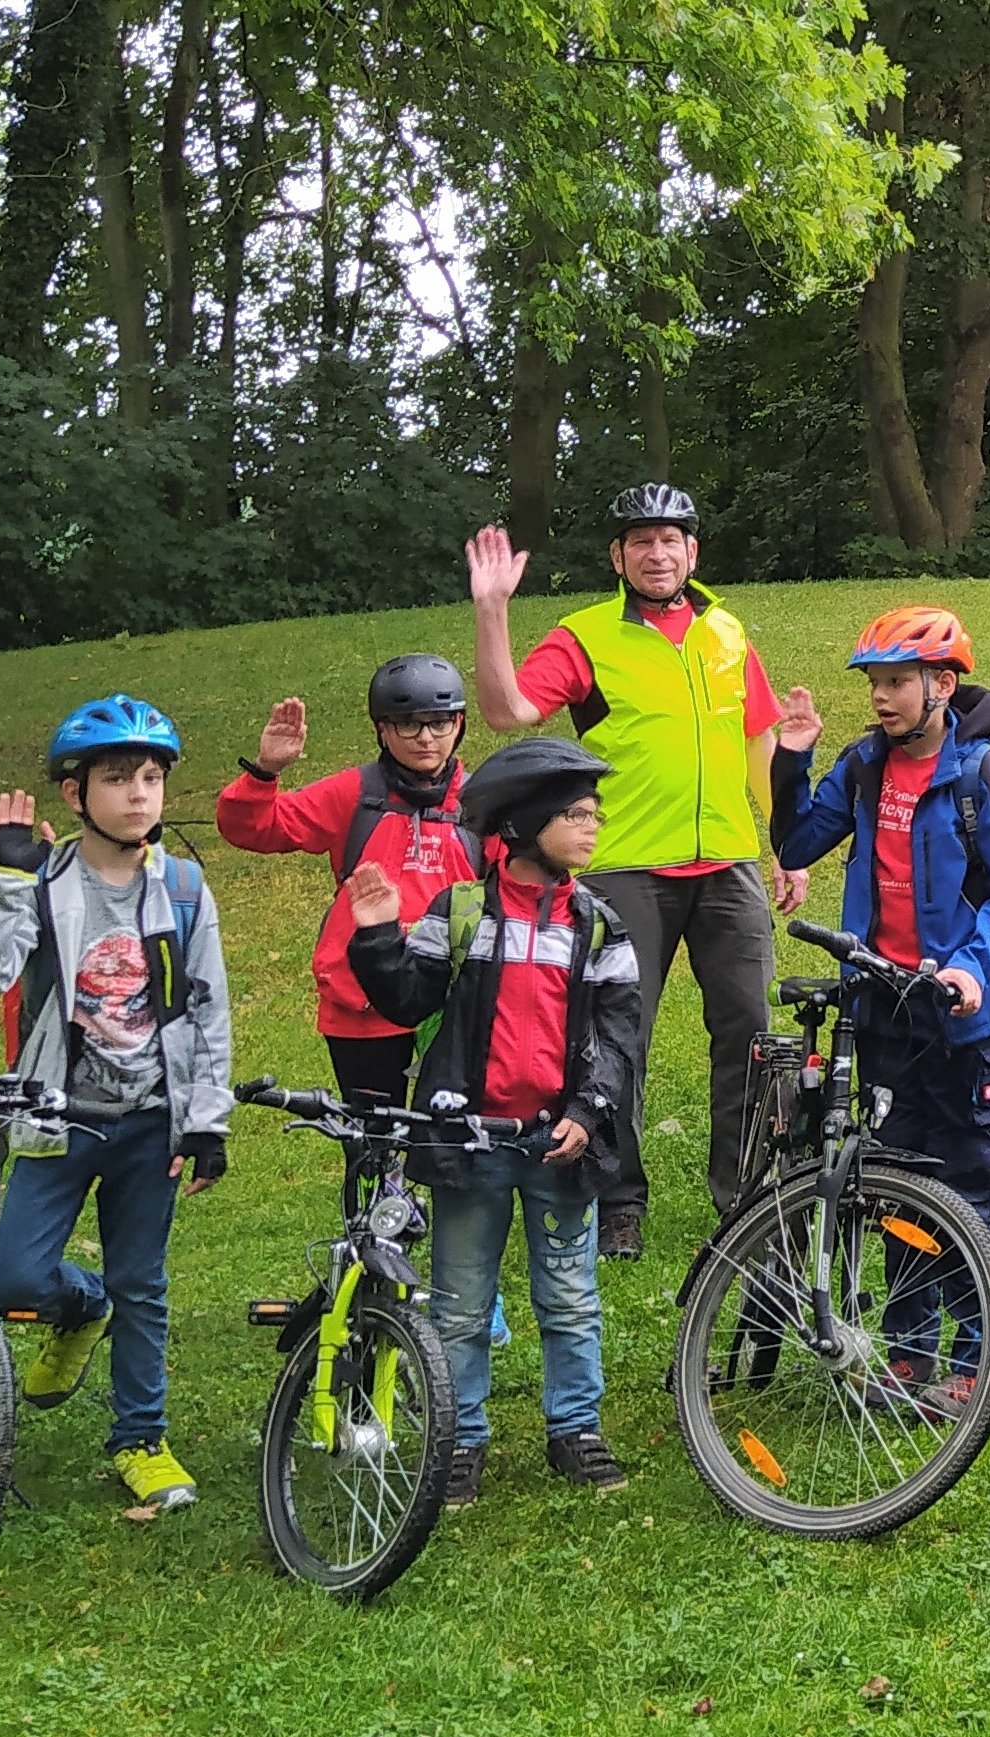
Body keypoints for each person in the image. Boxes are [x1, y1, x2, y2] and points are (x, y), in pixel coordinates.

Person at [463, 488, 793, 1262]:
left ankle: (744, 1198)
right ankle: (618, 1201)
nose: (656, 553)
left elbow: (758, 739)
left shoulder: (727, 630)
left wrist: (789, 841)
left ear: (693, 553)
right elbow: (509, 711)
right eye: (640, 541)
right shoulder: (586, 638)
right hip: (625, 871)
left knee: (750, 1034)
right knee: (616, 1040)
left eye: (670, 539)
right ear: (617, 558)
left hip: (729, 864)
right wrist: (491, 611)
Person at [345, 736, 648, 1505]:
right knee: (460, 1304)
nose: (593, 826)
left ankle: (575, 1428)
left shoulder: (600, 926)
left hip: (560, 1147)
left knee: (571, 1298)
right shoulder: (460, 913)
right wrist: (379, 935)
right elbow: (407, 1000)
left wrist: (589, 1110)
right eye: (576, 813)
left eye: (595, 812)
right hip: (469, 1146)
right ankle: (460, 1438)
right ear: (522, 823)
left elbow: (619, 1039)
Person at [0, 696, 236, 1516]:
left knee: (143, 1281)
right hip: (56, 1116)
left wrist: (206, 1119)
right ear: (76, 796)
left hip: (150, 1120)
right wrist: (7, 877)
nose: (140, 794)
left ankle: (140, 1439)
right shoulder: (41, 880)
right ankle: (82, 1308)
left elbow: (208, 1006)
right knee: (16, 1277)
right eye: (117, 779)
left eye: (151, 778)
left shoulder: (183, 887)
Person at [769, 608, 990, 1253]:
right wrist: (792, 760)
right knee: (893, 1180)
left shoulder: (982, 775)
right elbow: (798, 843)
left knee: (967, 1181)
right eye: (875, 683)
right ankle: (908, 1350)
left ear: (941, 685)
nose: (881, 697)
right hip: (883, 1004)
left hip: (958, 1010)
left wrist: (971, 966)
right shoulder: (864, 765)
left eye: (896, 682)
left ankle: (975, 1346)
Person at [215, 655, 476, 1107]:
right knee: (373, 1142)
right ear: (382, 729)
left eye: (439, 723)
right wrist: (266, 772)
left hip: (455, 998)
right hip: (362, 1002)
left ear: (460, 724)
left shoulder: (480, 801)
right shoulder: (356, 794)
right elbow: (256, 828)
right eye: (408, 725)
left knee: (453, 1142)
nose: (426, 739)